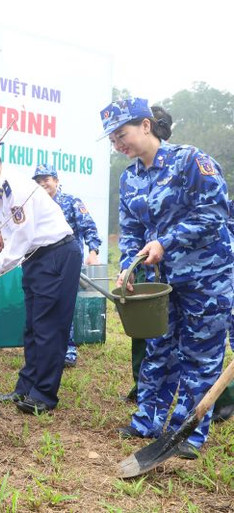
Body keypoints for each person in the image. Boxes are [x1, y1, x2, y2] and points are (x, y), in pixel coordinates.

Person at [103, 98, 233, 460]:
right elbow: (131, 230)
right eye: (112, 140)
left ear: (146, 125)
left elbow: (215, 212)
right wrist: (128, 267)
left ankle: (187, 432)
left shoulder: (189, 160)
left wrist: (166, 241)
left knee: (199, 353)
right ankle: (148, 420)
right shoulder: (129, 178)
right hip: (162, 280)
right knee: (159, 347)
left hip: (207, 275)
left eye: (121, 135)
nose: (118, 144)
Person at [0, 142, 81, 415]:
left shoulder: (16, 189)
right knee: (32, 327)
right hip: (36, 258)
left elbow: (21, 239)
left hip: (56, 255)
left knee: (48, 328)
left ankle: (43, 395)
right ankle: (25, 388)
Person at [32, 163, 102, 367]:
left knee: (64, 305)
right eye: (38, 181)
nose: (42, 184)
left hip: (68, 263)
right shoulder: (34, 205)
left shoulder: (71, 202)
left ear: (56, 181)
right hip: (43, 263)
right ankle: (47, 349)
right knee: (45, 305)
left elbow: (89, 227)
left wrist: (93, 252)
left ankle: (68, 350)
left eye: (46, 179)